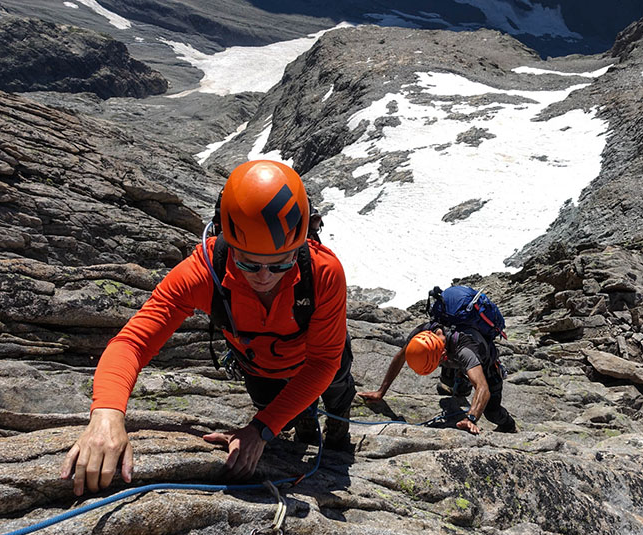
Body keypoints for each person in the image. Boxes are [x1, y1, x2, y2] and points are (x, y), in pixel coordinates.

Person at [60, 160, 354, 496]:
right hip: (261, 370)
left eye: (281, 263)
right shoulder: (203, 272)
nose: (265, 276)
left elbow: (322, 363)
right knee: (290, 412)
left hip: (312, 362)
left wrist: (260, 429)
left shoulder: (323, 272)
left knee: (338, 393)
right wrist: (107, 413)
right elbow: (132, 343)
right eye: (248, 262)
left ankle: (337, 434)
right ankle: (302, 422)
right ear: (225, 238)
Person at [358, 322, 516, 435]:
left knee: (491, 412)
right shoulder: (422, 336)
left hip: (486, 366)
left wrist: (471, 418)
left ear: (443, 355)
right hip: (459, 361)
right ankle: (461, 387)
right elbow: (400, 358)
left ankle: (509, 425)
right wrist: (381, 392)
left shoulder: (465, 350)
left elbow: (483, 388)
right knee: (448, 388)